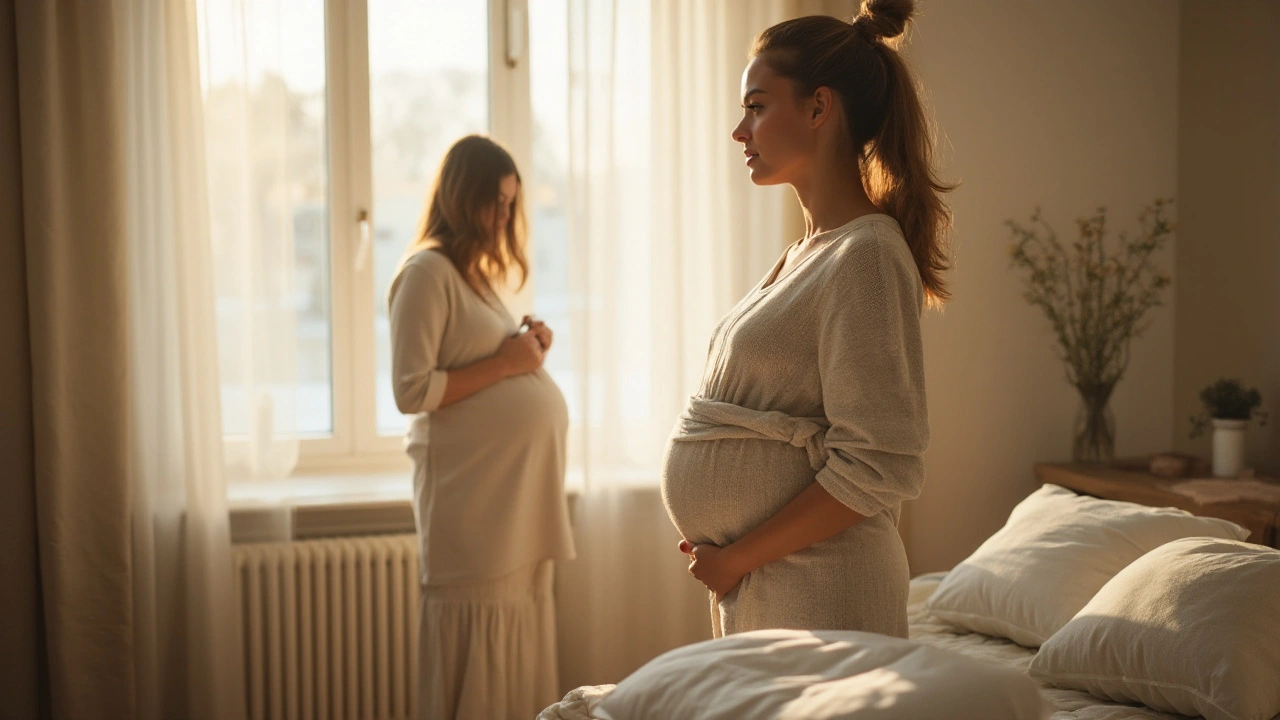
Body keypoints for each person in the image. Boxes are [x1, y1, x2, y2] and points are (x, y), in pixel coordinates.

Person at [661, 0, 952, 639]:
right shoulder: (808, 251)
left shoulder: (867, 254)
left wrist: (735, 557)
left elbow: (879, 463)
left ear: (819, 108)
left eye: (758, 106)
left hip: (824, 592)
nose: (740, 130)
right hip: (777, 584)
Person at [388, 134, 575, 720]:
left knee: (513, 672)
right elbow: (411, 390)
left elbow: (489, 372)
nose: (504, 215)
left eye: (512, 203)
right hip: (472, 518)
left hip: (510, 513)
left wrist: (524, 349)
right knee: (477, 670)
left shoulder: (474, 278)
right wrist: (507, 361)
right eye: (494, 200)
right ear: (462, 197)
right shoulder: (426, 272)